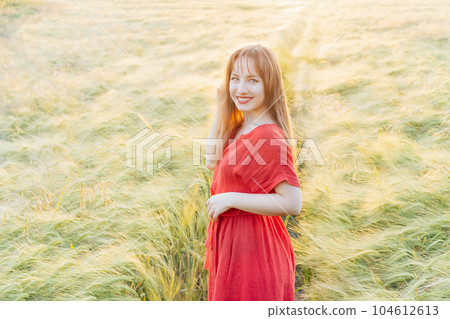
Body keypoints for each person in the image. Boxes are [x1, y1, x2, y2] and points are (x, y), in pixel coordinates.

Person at [204, 43, 302, 301]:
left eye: (252, 80)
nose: (241, 89)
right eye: (235, 79)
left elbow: (292, 203)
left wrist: (232, 199)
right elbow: (210, 159)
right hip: (233, 247)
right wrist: (222, 105)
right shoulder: (241, 126)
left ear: (269, 84)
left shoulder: (269, 135)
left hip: (255, 253)